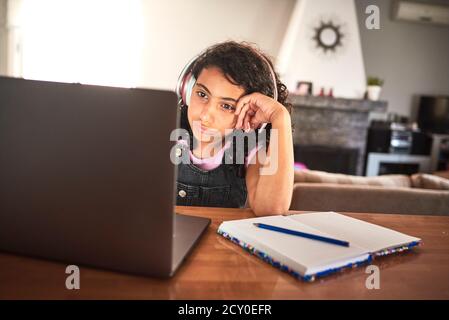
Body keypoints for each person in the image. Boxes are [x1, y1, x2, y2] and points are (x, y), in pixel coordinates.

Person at [173, 41, 293, 216]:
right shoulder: (170, 134)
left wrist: (280, 117)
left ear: (250, 112)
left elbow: (271, 210)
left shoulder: (247, 149)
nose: (205, 116)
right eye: (202, 94)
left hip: (219, 244)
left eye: (227, 106)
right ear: (186, 90)